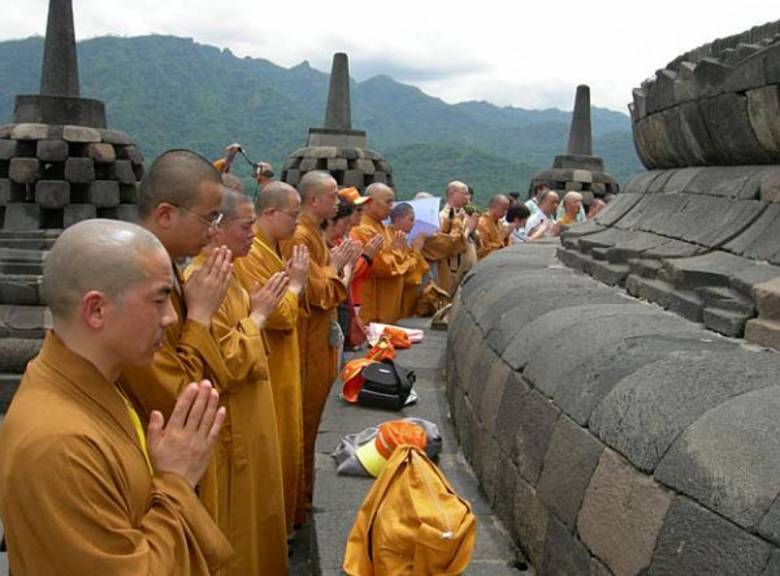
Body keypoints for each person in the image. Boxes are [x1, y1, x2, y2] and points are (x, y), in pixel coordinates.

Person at [0, 219, 231, 575]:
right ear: (96, 310)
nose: (171, 318)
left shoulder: (99, 383)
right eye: (159, 300)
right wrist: (176, 481)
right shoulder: (60, 445)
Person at [185, 189, 289, 575]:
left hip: (252, 415)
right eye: (246, 226)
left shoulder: (228, 275)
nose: (253, 234)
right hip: (232, 428)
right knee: (238, 533)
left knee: (259, 517)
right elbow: (224, 363)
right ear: (216, 228)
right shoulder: (202, 279)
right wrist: (258, 316)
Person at [120, 149, 234, 422]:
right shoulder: (135, 283)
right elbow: (176, 400)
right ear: (166, 215)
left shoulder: (170, 270)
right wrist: (200, 316)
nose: (214, 231)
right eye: (209, 218)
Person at [282, 171, 360, 523]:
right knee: (306, 417)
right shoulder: (300, 236)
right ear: (314, 200)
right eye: (332, 196)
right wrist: (339, 269)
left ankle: (305, 494)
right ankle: (298, 502)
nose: (337, 202)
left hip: (318, 338)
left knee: (314, 416)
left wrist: (335, 270)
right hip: (306, 339)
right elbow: (318, 292)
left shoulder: (313, 233)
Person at [233, 181, 310, 530]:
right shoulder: (250, 257)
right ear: (271, 212)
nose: (297, 222)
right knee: (273, 447)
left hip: (283, 358)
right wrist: (296, 285)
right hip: (265, 363)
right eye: (293, 215)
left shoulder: (273, 249)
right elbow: (280, 315)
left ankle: (286, 521)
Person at [349, 183, 411, 324]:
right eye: (388, 202)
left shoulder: (383, 228)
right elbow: (383, 267)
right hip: (372, 308)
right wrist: (397, 252)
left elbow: (404, 263)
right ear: (369, 202)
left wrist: (398, 254)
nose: (392, 207)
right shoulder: (363, 229)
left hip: (387, 305)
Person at [426, 180, 478, 295]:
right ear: (453, 193)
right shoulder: (441, 217)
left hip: (467, 268)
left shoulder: (466, 215)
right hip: (451, 271)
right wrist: (467, 229)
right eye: (465, 193)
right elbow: (447, 245)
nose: (468, 197)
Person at [389, 202, 430, 318]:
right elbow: (406, 271)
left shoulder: (402, 239)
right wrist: (416, 250)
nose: (413, 224)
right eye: (410, 220)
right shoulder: (393, 238)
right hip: (397, 296)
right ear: (399, 220)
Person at [476, 194, 512, 259]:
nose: (505, 213)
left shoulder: (500, 223)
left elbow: (506, 246)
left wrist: (507, 237)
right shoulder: (480, 224)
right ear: (494, 206)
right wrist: (502, 236)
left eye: (506, 210)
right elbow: (482, 251)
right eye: (504, 209)